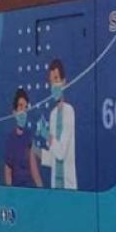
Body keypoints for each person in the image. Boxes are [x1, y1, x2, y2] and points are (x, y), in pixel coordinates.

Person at [42, 59, 77, 190]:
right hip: (55, 186)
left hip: (68, 186)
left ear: (64, 82)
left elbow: (61, 153)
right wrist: (35, 150)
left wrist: (47, 135)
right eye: (51, 82)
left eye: (56, 79)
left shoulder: (69, 111)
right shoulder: (52, 115)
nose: (54, 85)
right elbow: (53, 158)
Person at [4, 88, 43, 187]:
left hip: (28, 189)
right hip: (15, 190)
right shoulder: (10, 139)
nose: (23, 111)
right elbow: (8, 170)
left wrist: (42, 191)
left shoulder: (29, 137)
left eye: (25, 107)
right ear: (14, 112)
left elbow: (34, 170)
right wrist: (10, 192)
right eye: (20, 106)